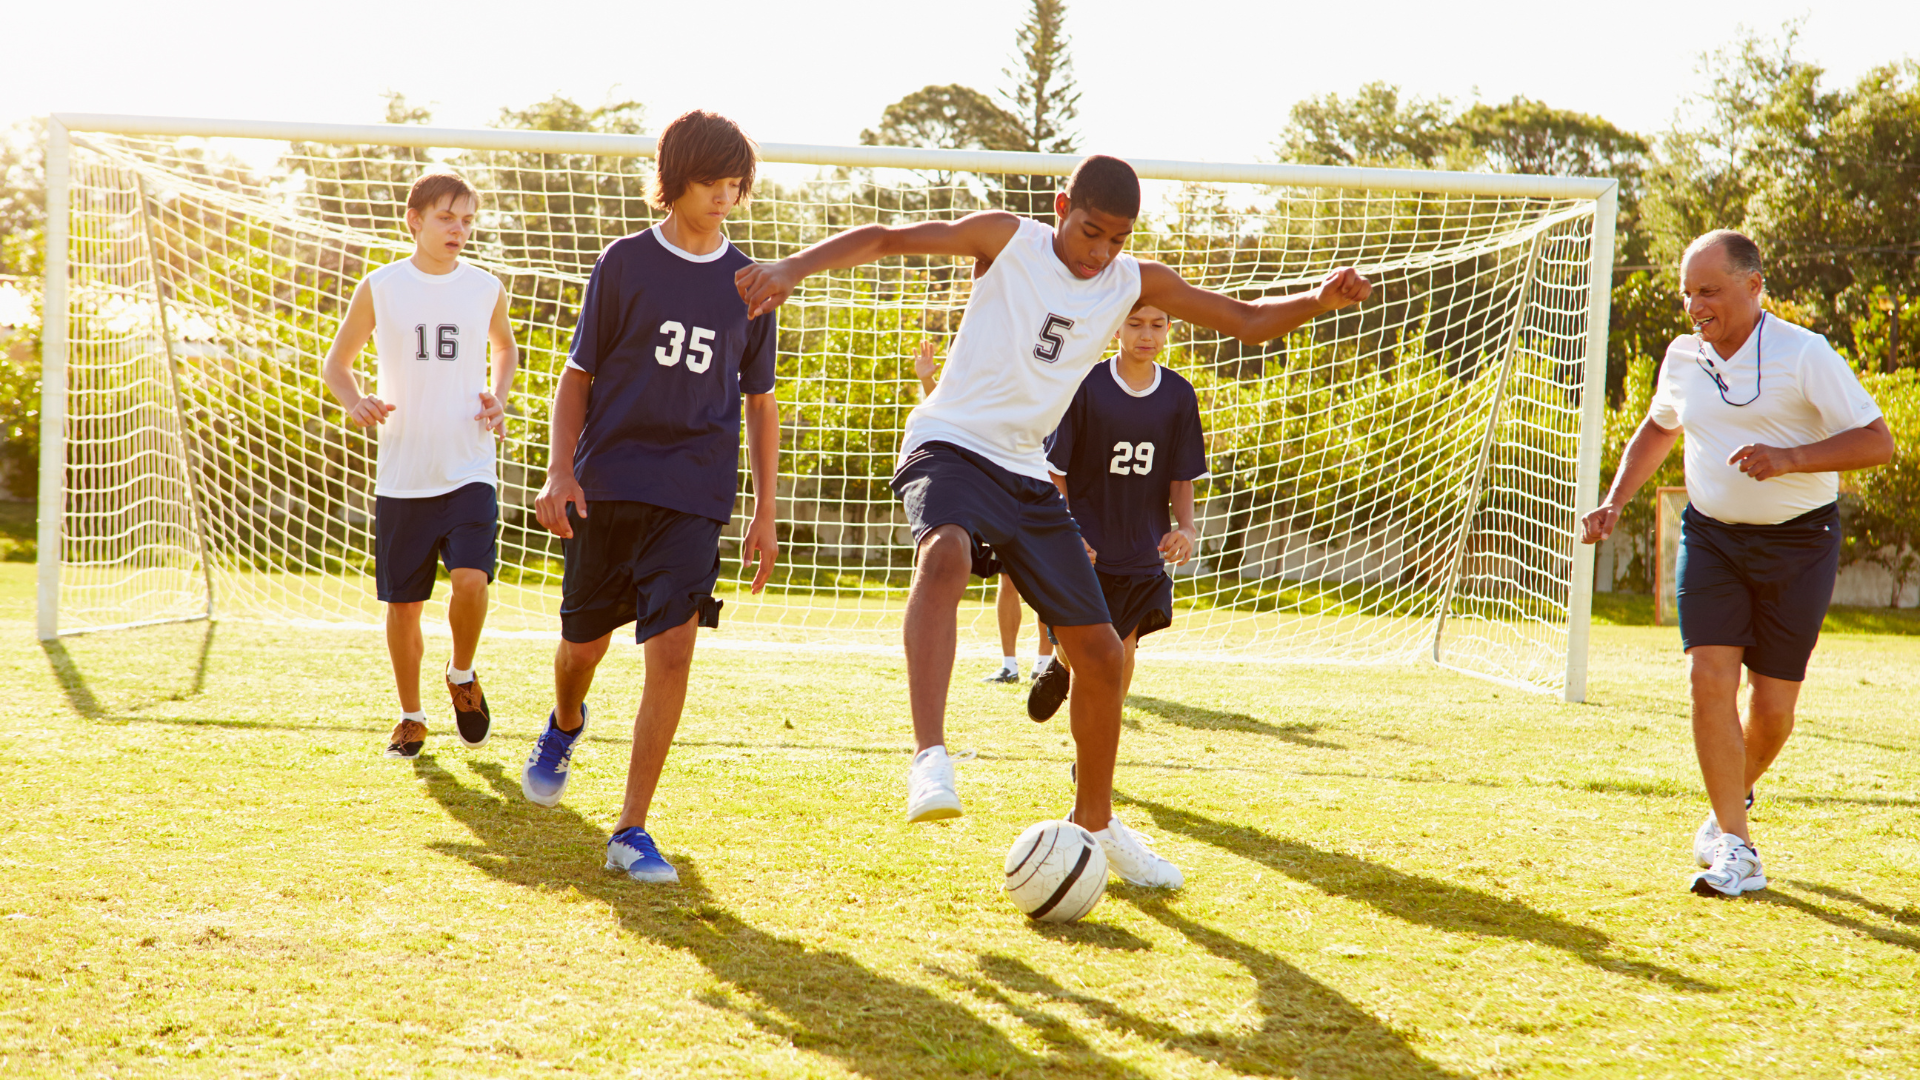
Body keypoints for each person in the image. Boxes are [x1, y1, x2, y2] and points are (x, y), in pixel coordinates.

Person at [737, 155, 1370, 888]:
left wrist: (1320, 299)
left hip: (1027, 472)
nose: (1100, 252)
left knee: (1101, 658)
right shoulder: (1007, 239)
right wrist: (791, 268)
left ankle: (1096, 822)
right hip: (949, 442)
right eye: (1090, 231)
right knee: (943, 555)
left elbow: (1249, 322)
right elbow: (885, 237)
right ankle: (929, 759)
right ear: (1062, 204)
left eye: (1117, 239)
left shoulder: (1134, 282)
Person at [1580, 229, 1892, 899]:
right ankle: (1737, 846)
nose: (1696, 306)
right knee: (1707, 678)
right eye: (1688, 293)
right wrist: (1613, 500)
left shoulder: (1803, 354)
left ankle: (1732, 800)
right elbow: (1662, 426)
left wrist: (1789, 458)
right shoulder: (1683, 357)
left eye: (1711, 291)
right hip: (1713, 538)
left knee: (1773, 710)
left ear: (1754, 287)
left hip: (1800, 543)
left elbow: (1877, 442)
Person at [526, 110, 781, 886]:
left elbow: (760, 402)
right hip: (609, 484)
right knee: (584, 647)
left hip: (694, 492)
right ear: (674, 182)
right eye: (712, 182)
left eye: (737, 184)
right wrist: (559, 471)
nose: (726, 198)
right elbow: (579, 377)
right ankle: (565, 722)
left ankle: (632, 827)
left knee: (671, 648)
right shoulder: (624, 263)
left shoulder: (754, 285)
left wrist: (765, 510)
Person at [320, 171, 517, 760]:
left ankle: (462, 674)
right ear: (415, 220)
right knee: (403, 607)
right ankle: (410, 717)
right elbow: (337, 363)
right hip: (404, 476)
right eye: (446, 218)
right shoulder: (381, 286)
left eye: (467, 220)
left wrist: (498, 394)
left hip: (468, 465)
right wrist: (356, 399)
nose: (459, 229)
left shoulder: (485, 287)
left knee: (470, 581)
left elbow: (505, 347)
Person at [1027, 301, 1204, 723]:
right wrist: (1068, 535)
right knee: (1086, 648)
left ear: (1168, 329)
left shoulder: (1179, 395)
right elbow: (1056, 472)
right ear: (1115, 330)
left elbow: (1182, 475)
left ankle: (1093, 754)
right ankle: (1063, 664)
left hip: (1141, 549)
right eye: (1135, 323)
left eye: (1157, 324)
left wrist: (1187, 528)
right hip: (1084, 546)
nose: (1147, 334)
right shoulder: (1084, 384)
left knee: (1120, 652)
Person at [911, 341, 1056, 685]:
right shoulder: (984, 378)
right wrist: (928, 380)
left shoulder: (1042, 380)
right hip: (998, 492)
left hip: (1038, 488)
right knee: (1008, 580)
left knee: (1045, 580)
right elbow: (946, 413)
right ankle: (1010, 665)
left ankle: (1043, 662)